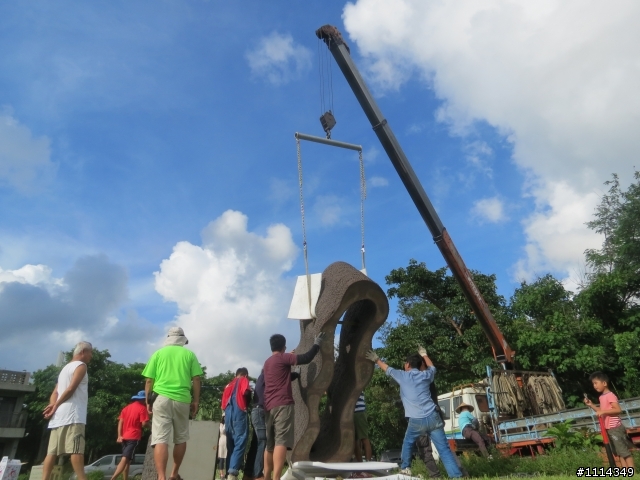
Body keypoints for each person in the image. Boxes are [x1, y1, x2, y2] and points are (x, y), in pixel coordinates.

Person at [365, 346, 462, 478]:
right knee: (444, 450)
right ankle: (456, 476)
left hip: (416, 420)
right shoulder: (426, 375)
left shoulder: (403, 376)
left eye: (405, 363)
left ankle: (405, 468)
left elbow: (387, 368)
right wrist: (425, 354)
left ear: (408, 365)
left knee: (408, 442)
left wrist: (376, 359)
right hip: (433, 417)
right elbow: (433, 368)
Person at [142, 327, 204, 480]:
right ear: (182, 340)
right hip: (182, 399)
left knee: (160, 439)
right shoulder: (189, 355)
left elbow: (149, 380)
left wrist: (147, 401)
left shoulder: (158, 354)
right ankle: (174, 474)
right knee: (181, 438)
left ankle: (161, 477)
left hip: (161, 398)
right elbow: (196, 379)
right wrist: (196, 400)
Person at [263, 332, 326, 480]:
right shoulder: (283, 357)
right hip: (282, 404)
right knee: (281, 441)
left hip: (269, 406)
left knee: (270, 444)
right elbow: (306, 358)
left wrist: (295, 375)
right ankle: (276, 478)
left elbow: (281, 378)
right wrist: (317, 343)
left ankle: (266, 477)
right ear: (284, 346)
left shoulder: (268, 362)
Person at [42, 341, 93, 480]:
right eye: (90, 352)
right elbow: (71, 388)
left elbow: (55, 392)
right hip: (74, 414)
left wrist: (53, 406)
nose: (91, 356)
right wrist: (55, 405)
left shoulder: (64, 369)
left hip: (58, 417)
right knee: (76, 450)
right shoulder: (81, 366)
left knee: (51, 453)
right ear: (83, 352)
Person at [584, 372, 635, 469]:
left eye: (596, 383)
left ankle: (631, 472)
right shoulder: (602, 397)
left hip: (615, 427)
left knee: (624, 452)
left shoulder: (610, 395)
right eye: (593, 384)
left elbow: (618, 410)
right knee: (618, 453)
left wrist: (603, 412)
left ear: (604, 383)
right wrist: (591, 405)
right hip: (609, 428)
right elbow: (602, 411)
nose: (594, 386)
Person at [110, 391, 151, 480]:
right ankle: (113, 478)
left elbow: (120, 422)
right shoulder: (142, 408)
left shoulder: (126, 408)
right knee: (125, 459)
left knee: (127, 461)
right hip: (133, 436)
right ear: (143, 399)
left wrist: (119, 435)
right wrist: (152, 427)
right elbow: (144, 423)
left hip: (124, 437)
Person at [221, 368, 252, 480]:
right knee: (240, 443)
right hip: (239, 414)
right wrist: (247, 404)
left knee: (231, 446)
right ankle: (232, 474)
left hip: (228, 417)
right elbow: (246, 392)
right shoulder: (243, 379)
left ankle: (228, 472)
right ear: (246, 375)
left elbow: (223, 405)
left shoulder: (228, 385)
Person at [353, 392, 373, 462]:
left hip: (359, 412)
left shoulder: (355, 382)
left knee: (364, 438)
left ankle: (368, 463)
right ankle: (360, 464)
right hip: (351, 413)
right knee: (354, 441)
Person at [218, 414, 227, 480]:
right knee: (221, 458)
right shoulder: (221, 424)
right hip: (222, 441)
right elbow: (222, 431)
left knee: (227, 457)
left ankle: (227, 473)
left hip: (227, 441)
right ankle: (221, 473)